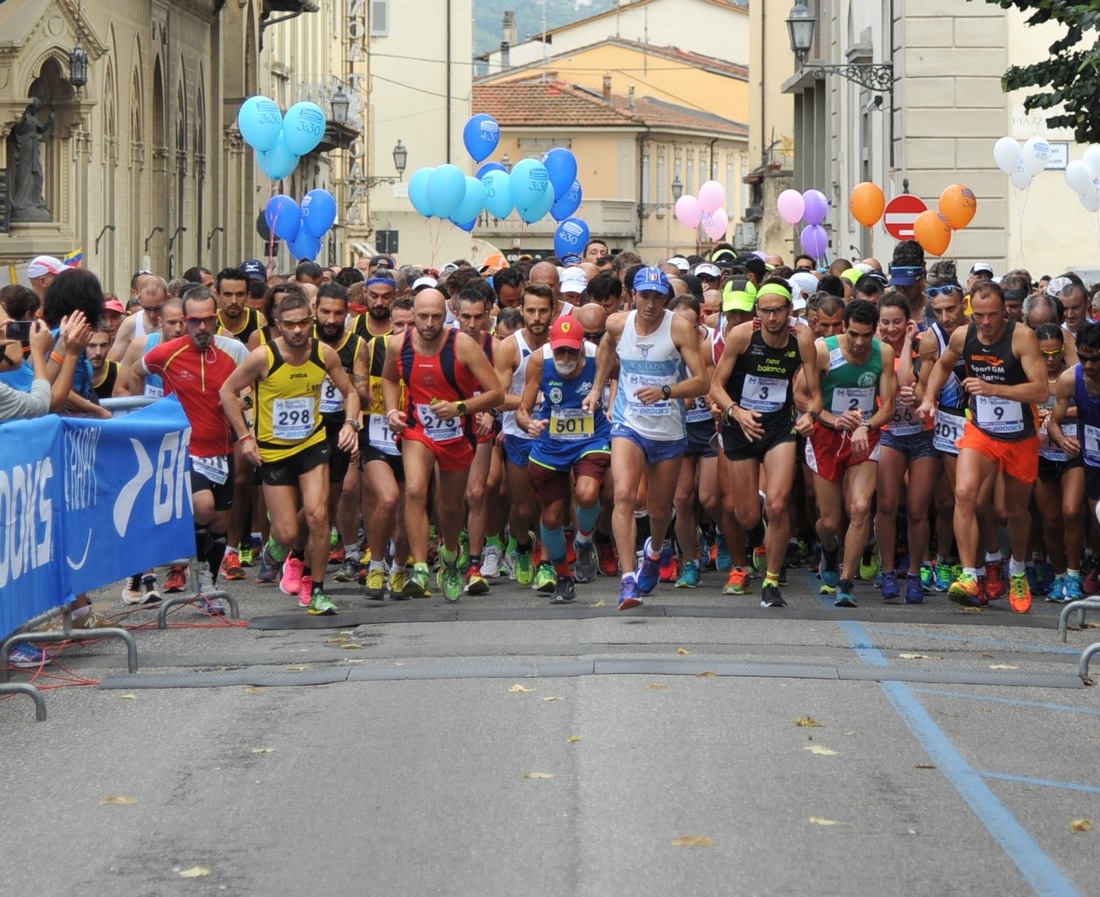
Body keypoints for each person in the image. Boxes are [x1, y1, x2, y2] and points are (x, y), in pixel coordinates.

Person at [219, 291, 361, 615]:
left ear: (311, 322)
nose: (298, 331)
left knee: (319, 514)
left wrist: (350, 424)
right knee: (287, 532)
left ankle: (317, 588)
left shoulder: (324, 354)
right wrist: (245, 437)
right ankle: (276, 547)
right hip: (274, 451)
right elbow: (226, 391)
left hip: (312, 444)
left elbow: (350, 391)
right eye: (290, 325)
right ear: (278, 326)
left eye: (303, 324)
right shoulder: (262, 357)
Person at [917, 281, 1048, 613]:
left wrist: (994, 388)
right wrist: (929, 398)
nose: (986, 323)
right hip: (981, 430)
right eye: (980, 315)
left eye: (993, 315)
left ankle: (1016, 570)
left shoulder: (1021, 337)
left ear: (1004, 310)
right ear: (971, 310)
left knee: (1015, 512)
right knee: (964, 493)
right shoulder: (964, 336)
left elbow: (1041, 391)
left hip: (1019, 433)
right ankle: (970, 574)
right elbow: (943, 365)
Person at [583, 266, 709, 610]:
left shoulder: (680, 328)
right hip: (629, 422)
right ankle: (628, 580)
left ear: (665, 299)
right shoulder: (617, 323)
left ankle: (654, 552)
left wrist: (666, 390)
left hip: (668, 430)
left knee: (658, 510)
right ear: (632, 296)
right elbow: (607, 349)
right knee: (623, 494)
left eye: (657, 297)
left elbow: (702, 383)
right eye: (644, 296)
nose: (650, 304)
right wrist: (597, 388)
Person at [380, 289, 504, 601]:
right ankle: (420, 566)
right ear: (413, 314)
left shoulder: (462, 344)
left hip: (456, 433)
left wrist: (460, 408)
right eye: (423, 316)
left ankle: (450, 555)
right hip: (417, 430)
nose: (430, 323)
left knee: (450, 506)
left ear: (444, 315)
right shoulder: (398, 343)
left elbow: (496, 394)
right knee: (415, 490)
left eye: (436, 316)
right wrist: (392, 410)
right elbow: (389, 379)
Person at [134, 288, 250, 612]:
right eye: (194, 321)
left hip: (223, 447)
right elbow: (133, 372)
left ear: (216, 319)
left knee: (221, 522)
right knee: (203, 507)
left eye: (207, 320)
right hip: (187, 447)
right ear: (184, 321)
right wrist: (143, 415)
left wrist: (246, 407)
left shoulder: (234, 351)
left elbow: (251, 387)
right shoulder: (166, 353)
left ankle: (208, 583)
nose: (201, 327)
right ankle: (197, 576)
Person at [709, 279, 821, 608]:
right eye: (766, 310)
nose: (772, 317)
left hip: (778, 428)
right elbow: (716, 387)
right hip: (740, 426)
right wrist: (737, 412)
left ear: (790, 311)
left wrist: (810, 417)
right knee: (744, 513)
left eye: (779, 310)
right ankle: (760, 542)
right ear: (757, 312)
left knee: (776, 504)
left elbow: (816, 397)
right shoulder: (743, 335)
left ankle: (772, 581)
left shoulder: (802, 342)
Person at [805, 299, 897, 608]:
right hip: (827, 437)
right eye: (854, 334)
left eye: (866, 335)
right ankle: (829, 550)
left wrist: (866, 425)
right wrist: (832, 419)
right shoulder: (822, 350)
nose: (859, 343)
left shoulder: (883, 353)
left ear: (875, 332)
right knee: (829, 523)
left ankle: (846, 581)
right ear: (844, 327)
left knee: (859, 509)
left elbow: (889, 407)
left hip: (863, 438)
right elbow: (801, 394)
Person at [516, 316, 611, 602]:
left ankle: (583, 540)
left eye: (572, 350)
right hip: (551, 442)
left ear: (582, 346)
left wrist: (615, 404)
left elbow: (624, 374)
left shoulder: (598, 356)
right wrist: (528, 424)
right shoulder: (538, 361)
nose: (566, 357)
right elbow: (522, 409)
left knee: (587, 492)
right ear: (551, 346)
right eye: (561, 351)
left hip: (591, 436)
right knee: (552, 515)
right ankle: (563, 576)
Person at [873, 292, 938, 603]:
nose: (891, 327)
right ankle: (887, 572)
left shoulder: (923, 343)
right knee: (886, 505)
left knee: (916, 509)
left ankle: (915, 572)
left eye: (897, 321)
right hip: (890, 434)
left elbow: (910, 384)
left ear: (908, 320)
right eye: (884, 322)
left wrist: (910, 340)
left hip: (922, 435)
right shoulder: (874, 348)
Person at [494, 283, 555, 584]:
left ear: (552, 312)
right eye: (530, 310)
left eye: (543, 310)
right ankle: (521, 545)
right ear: (521, 310)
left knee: (549, 501)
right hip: (518, 434)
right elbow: (498, 396)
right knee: (523, 505)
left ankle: (546, 560)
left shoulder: (562, 341)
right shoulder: (510, 347)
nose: (537, 316)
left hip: (555, 434)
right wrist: (535, 401)